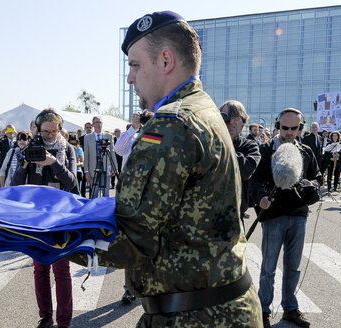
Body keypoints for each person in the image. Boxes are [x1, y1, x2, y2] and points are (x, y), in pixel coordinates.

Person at [68, 11, 261, 327]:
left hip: (192, 317)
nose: (130, 77)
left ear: (166, 60)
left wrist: (42, 232)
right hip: (222, 307)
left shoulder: (172, 125)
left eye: (135, 65)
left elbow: (131, 240)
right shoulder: (204, 109)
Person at [251, 108, 321, 328]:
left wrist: (313, 186)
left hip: (299, 214)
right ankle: (263, 310)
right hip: (273, 216)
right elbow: (254, 180)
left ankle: (290, 308)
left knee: (293, 266)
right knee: (268, 268)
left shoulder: (306, 151)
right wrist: (261, 196)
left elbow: (317, 177)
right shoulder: (265, 149)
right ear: (277, 125)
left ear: (301, 127)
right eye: (285, 128)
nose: (290, 132)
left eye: (295, 128)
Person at [13, 110, 76, 328]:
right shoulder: (29, 149)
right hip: (36, 217)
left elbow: (72, 183)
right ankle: (46, 317)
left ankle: (64, 322)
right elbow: (15, 183)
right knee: (40, 270)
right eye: (46, 131)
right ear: (38, 130)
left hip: (60, 216)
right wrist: (24, 160)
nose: (50, 136)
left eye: (54, 131)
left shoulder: (67, 148)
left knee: (62, 270)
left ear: (60, 129)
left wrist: (53, 163)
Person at [220, 100, 261, 219]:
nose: (231, 122)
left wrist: (221, 146)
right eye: (227, 117)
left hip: (235, 215)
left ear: (243, 122)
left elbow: (245, 171)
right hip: (207, 213)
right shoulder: (208, 143)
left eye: (236, 118)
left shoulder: (249, 146)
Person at [83, 116, 117, 198]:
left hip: (106, 167)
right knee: (94, 193)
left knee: (106, 194)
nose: (98, 124)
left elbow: (112, 153)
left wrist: (114, 168)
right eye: (96, 123)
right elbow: (86, 155)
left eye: (100, 122)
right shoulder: (87, 137)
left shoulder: (109, 136)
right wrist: (86, 171)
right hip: (93, 169)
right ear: (93, 124)